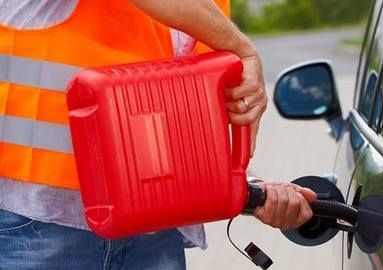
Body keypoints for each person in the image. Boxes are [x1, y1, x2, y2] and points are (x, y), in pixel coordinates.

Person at [0, 0, 316, 269]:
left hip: (153, 230)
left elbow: (174, 119)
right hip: (39, 230)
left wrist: (247, 186)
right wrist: (241, 48)